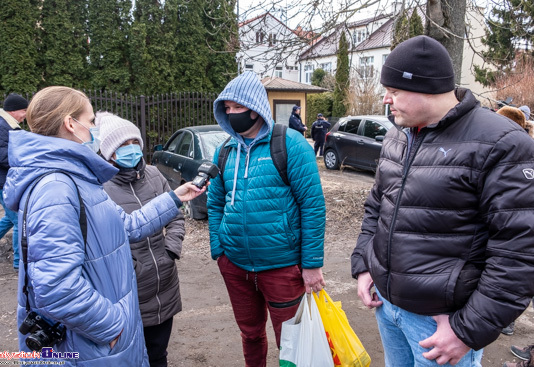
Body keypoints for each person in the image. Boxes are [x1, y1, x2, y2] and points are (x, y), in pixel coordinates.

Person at [351, 35, 534, 367]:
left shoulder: (502, 143)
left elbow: (519, 253)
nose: (385, 99)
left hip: (442, 324)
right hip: (387, 307)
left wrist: (467, 331)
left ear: (428, 88)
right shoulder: (397, 134)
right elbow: (377, 206)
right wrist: (365, 266)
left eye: (393, 91)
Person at [2, 86, 205, 366]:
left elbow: (127, 225)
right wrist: (111, 327)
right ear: (71, 124)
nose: (95, 128)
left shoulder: (76, 178)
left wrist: (174, 198)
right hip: (87, 345)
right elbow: (56, 286)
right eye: (92, 120)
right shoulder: (56, 187)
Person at [207, 71, 326, 367]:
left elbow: (312, 206)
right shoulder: (225, 150)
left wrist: (311, 265)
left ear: (255, 107)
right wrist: (219, 250)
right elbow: (214, 202)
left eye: (238, 108)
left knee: (292, 342)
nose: (232, 114)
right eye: (228, 109)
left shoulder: (291, 144)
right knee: (250, 335)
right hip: (235, 266)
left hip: (282, 266)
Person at [98, 112, 185, 367]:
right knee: (131, 357)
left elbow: (175, 216)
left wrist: (171, 250)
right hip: (130, 288)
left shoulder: (155, 175)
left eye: (134, 142)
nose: (131, 149)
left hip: (164, 282)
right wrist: (132, 266)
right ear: (108, 152)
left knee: (159, 354)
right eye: (123, 145)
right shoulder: (100, 187)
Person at [0, 93, 28, 271]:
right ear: (13, 111)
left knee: (10, 219)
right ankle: (19, 263)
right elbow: (1, 157)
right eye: (24, 111)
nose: (25, 114)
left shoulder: (2, 124)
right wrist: (26, 160)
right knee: (19, 220)